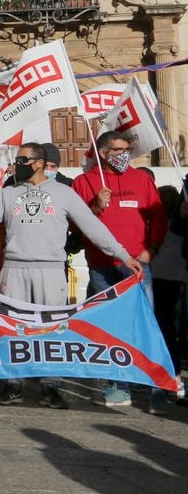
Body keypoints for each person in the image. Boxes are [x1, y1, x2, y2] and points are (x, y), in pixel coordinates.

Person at [0, 143, 142, 409]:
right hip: (15, 269)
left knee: (52, 330)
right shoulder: (8, 194)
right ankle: (13, 384)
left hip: (51, 270)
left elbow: (92, 226)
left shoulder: (64, 193)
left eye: (22, 160)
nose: (17, 164)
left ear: (38, 163)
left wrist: (123, 255)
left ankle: (50, 386)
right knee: (13, 328)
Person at [71, 131, 167, 411]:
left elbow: (158, 216)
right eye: (118, 149)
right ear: (103, 153)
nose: (125, 154)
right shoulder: (84, 181)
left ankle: (155, 388)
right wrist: (96, 206)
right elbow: (76, 225)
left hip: (136, 265)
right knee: (111, 327)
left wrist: (153, 249)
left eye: (127, 149)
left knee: (146, 324)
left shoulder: (141, 179)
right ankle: (119, 385)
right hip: (102, 265)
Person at [151, 184, 186, 407]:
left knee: (162, 326)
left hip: (160, 278)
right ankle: (174, 375)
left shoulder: (166, 227)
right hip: (174, 279)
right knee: (169, 328)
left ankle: (169, 375)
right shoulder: (174, 226)